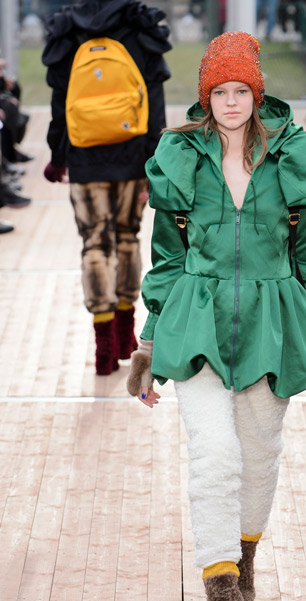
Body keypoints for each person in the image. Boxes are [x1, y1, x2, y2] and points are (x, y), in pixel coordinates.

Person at [126, 32, 306, 601]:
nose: (231, 102)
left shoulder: (292, 159)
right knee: (215, 456)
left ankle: (243, 556)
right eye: (220, 92)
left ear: (257, 94)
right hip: (195, 323)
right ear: (206, 97)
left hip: (271, 325)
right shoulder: (180, 158)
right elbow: (166, 258)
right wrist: (148, 342)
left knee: (258, 455)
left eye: (241, 91)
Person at [41, 0, 171, 375]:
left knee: (94, 244)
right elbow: (154, 99)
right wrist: (155, 160)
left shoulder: (68, 29)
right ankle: (125, 334)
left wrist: (58, 156)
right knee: (128, 237)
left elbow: (60, 101)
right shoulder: (139, 25)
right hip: (132, 155)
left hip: (84, 156)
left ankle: (103, 347)